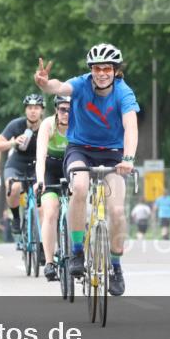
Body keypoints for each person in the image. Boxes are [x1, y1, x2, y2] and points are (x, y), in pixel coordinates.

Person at [34, 43, 139, 297]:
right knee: (79, 188)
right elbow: (59, 87)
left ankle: (115, 267)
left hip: (113, 153)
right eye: (97, 68)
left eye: (107, 68)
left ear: (115, 70)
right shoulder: (81, 84)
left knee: (117, 211)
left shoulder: (124, 93)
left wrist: (128, 158)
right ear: (91, 70)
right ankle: (78, 252)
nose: (102, 73)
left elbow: (131, 126)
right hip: (80, 148)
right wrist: (45, 84)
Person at [0, 95, 46, 248]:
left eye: (36, 108)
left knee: (42, 205)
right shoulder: (16, 125)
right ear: (25, 110)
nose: (33, 111)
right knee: (14, 187)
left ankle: (43, 245)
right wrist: (12, 142)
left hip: (38, 166)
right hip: (16, 164)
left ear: (42, 111)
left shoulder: (47, 126)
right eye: (29, 108)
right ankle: (16, 218)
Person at [35, 95, 71, 281]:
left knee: (80, 210)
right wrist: (40, 180)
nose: (66, 113)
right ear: (56, 109)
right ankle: (49, 262)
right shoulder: (48, 125)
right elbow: (40, 156)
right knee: (50, 212)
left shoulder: (80, 124)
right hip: (50, 169)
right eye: (62, 109)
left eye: (70, 109)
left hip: (71, 167)